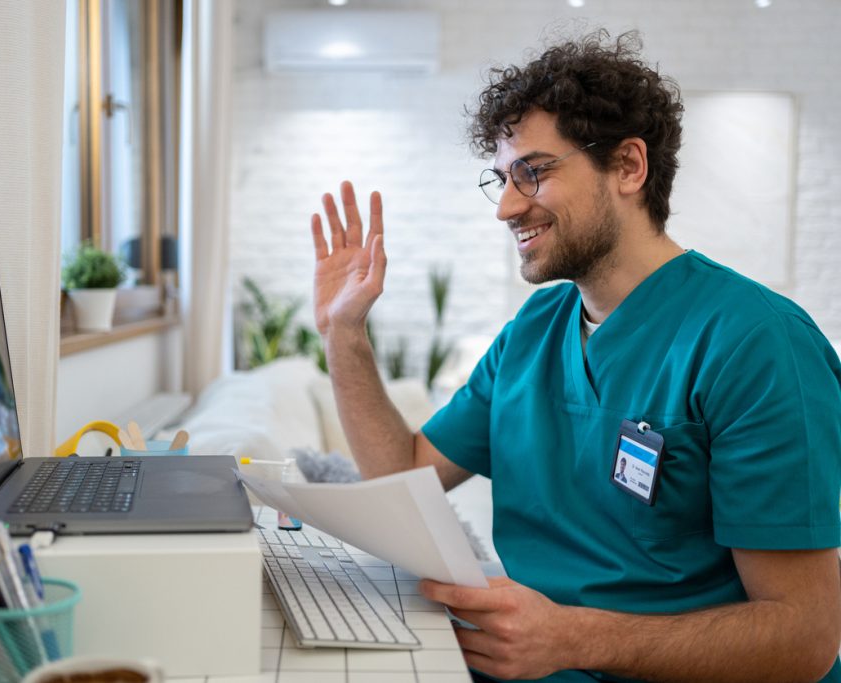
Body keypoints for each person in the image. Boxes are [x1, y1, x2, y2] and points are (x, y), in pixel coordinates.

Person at [308, 29, 841, 683]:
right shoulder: (533, 331)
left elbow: (805, 636)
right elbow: (404, 472)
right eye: (502, 178)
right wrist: (344, 333)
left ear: (628, 167)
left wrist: (573, 637)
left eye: (534, 171)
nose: (506, 206)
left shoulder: (756, 343)